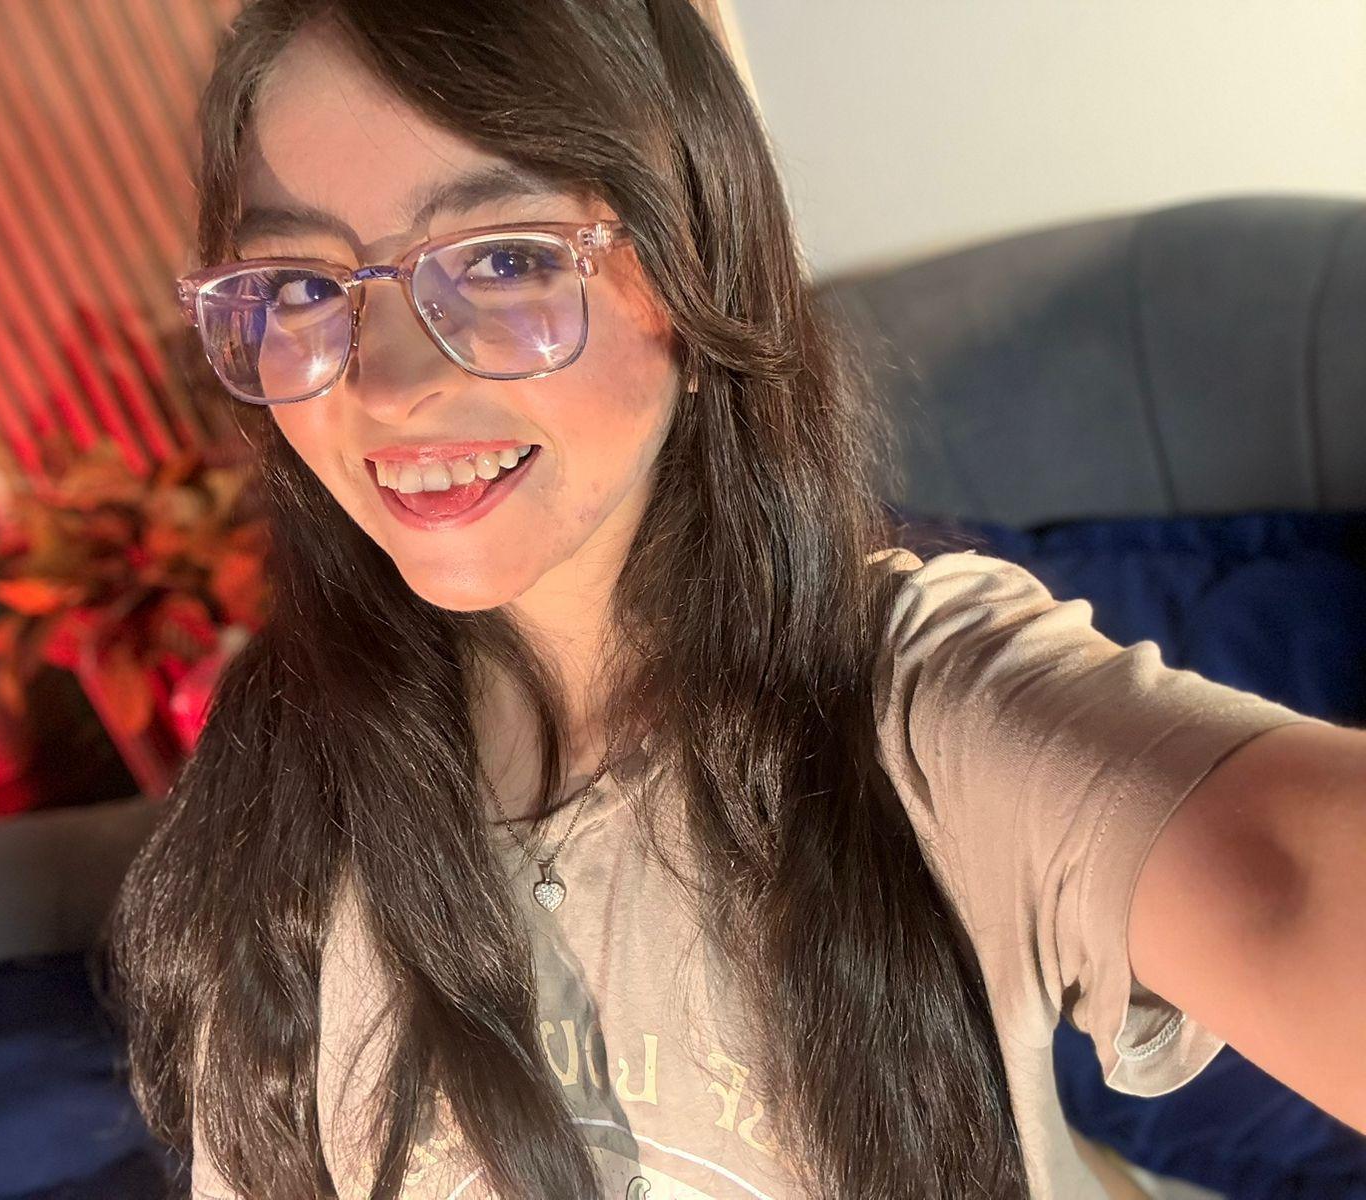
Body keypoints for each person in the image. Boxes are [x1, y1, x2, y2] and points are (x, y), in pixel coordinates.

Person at [109, 1, 1361, 1197]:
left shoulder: (913, 715)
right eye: (297, 286)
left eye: (503, 259)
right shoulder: (274, 771)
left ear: (699, 274)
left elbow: (1285, 879)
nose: (382, 386)